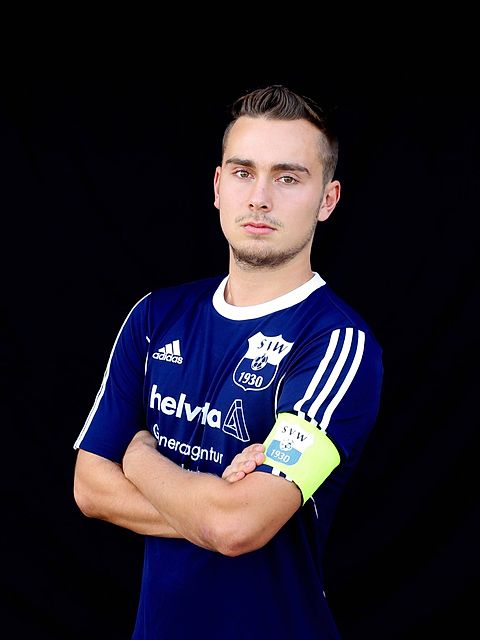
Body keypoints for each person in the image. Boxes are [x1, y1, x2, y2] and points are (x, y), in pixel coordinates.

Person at [73, 84, 383, 639]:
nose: (260, 197)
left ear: (328, 199)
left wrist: (138, 454)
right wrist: (214, 504)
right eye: (243, 173)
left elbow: (238, 527)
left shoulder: (336, 344)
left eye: (288, 178)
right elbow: (90, 488)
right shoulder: (155, 316)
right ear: (218, 186)